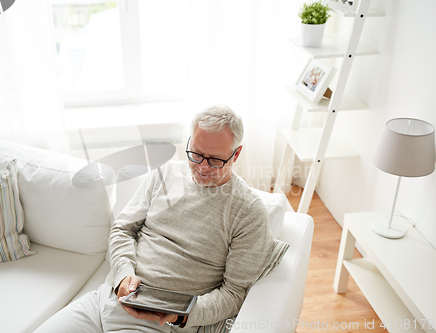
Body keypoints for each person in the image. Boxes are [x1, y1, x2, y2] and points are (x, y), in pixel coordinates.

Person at [34, 105, 273, 332]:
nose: (202, 167)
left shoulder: (249, 212)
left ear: (236, 153)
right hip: (107, 297)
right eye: (196, 154)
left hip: (156, 320)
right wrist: (124, 275)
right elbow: (123, 229)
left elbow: (234, 293)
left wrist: (181, 314)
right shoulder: (165, 173)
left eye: (214, 160)